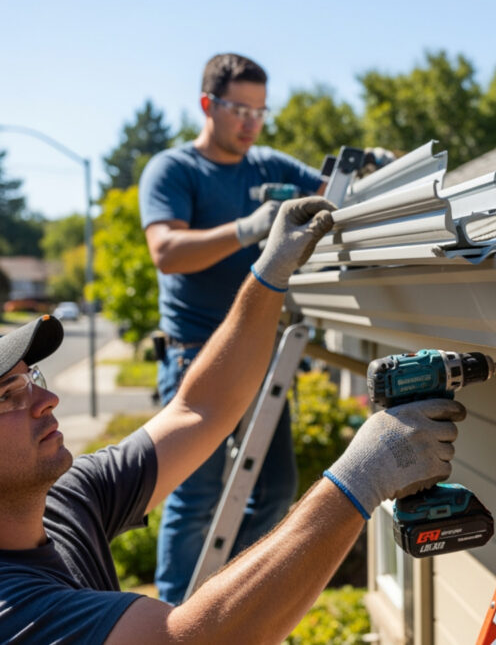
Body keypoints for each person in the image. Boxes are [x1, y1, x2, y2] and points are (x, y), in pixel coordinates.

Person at [0, 198, 465, 643]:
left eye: (32, 378)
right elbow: (194, 641)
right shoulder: (11, 607)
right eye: (8, 395)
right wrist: (364, 475)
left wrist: (269, 273)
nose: (47, 399)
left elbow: (199, 408)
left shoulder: (65, 503)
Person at [138, 53, 325, 604]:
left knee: (275, 491)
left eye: (259, 111)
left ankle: (217, 602)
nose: (250, 122)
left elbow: (334, 189)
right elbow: (166, 251)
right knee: (193, 498)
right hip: (195, 355)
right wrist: (247, 229)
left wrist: (374, 172)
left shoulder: (268, 165)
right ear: (207, 105)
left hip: (257, 352)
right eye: (238, 109)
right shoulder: (174, 170)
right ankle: (171, 621)